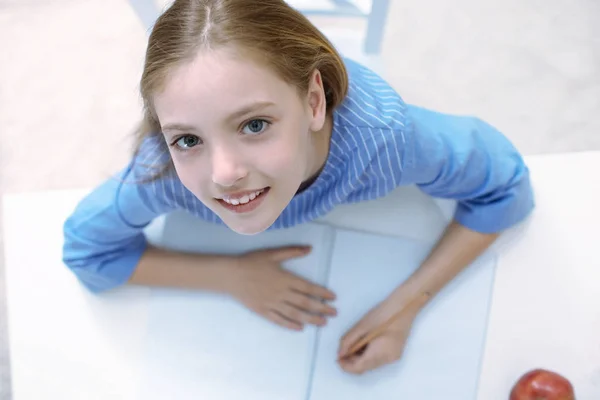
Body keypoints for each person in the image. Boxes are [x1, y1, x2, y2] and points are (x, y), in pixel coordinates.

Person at [62, 0, 534, 375]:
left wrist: (404, 306)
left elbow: (506, 186)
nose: (224, 173)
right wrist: (229, 276)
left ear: (313, 101)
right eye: (188, 138)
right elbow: (88, 253)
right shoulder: (165, 174)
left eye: (254, 125)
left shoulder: (387, 141)